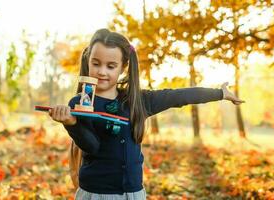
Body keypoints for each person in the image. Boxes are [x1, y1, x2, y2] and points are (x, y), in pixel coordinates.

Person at [48, 28, 245, 200]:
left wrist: (219, 93)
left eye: (110, 66)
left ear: (123, 67)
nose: (101, 72)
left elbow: (178, 96)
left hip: (134, 193)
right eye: (96, 63)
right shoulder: (80, 104)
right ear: (87, 61)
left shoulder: (136, 101)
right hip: (97, 193)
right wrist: (71, 123)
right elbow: (92, 146)